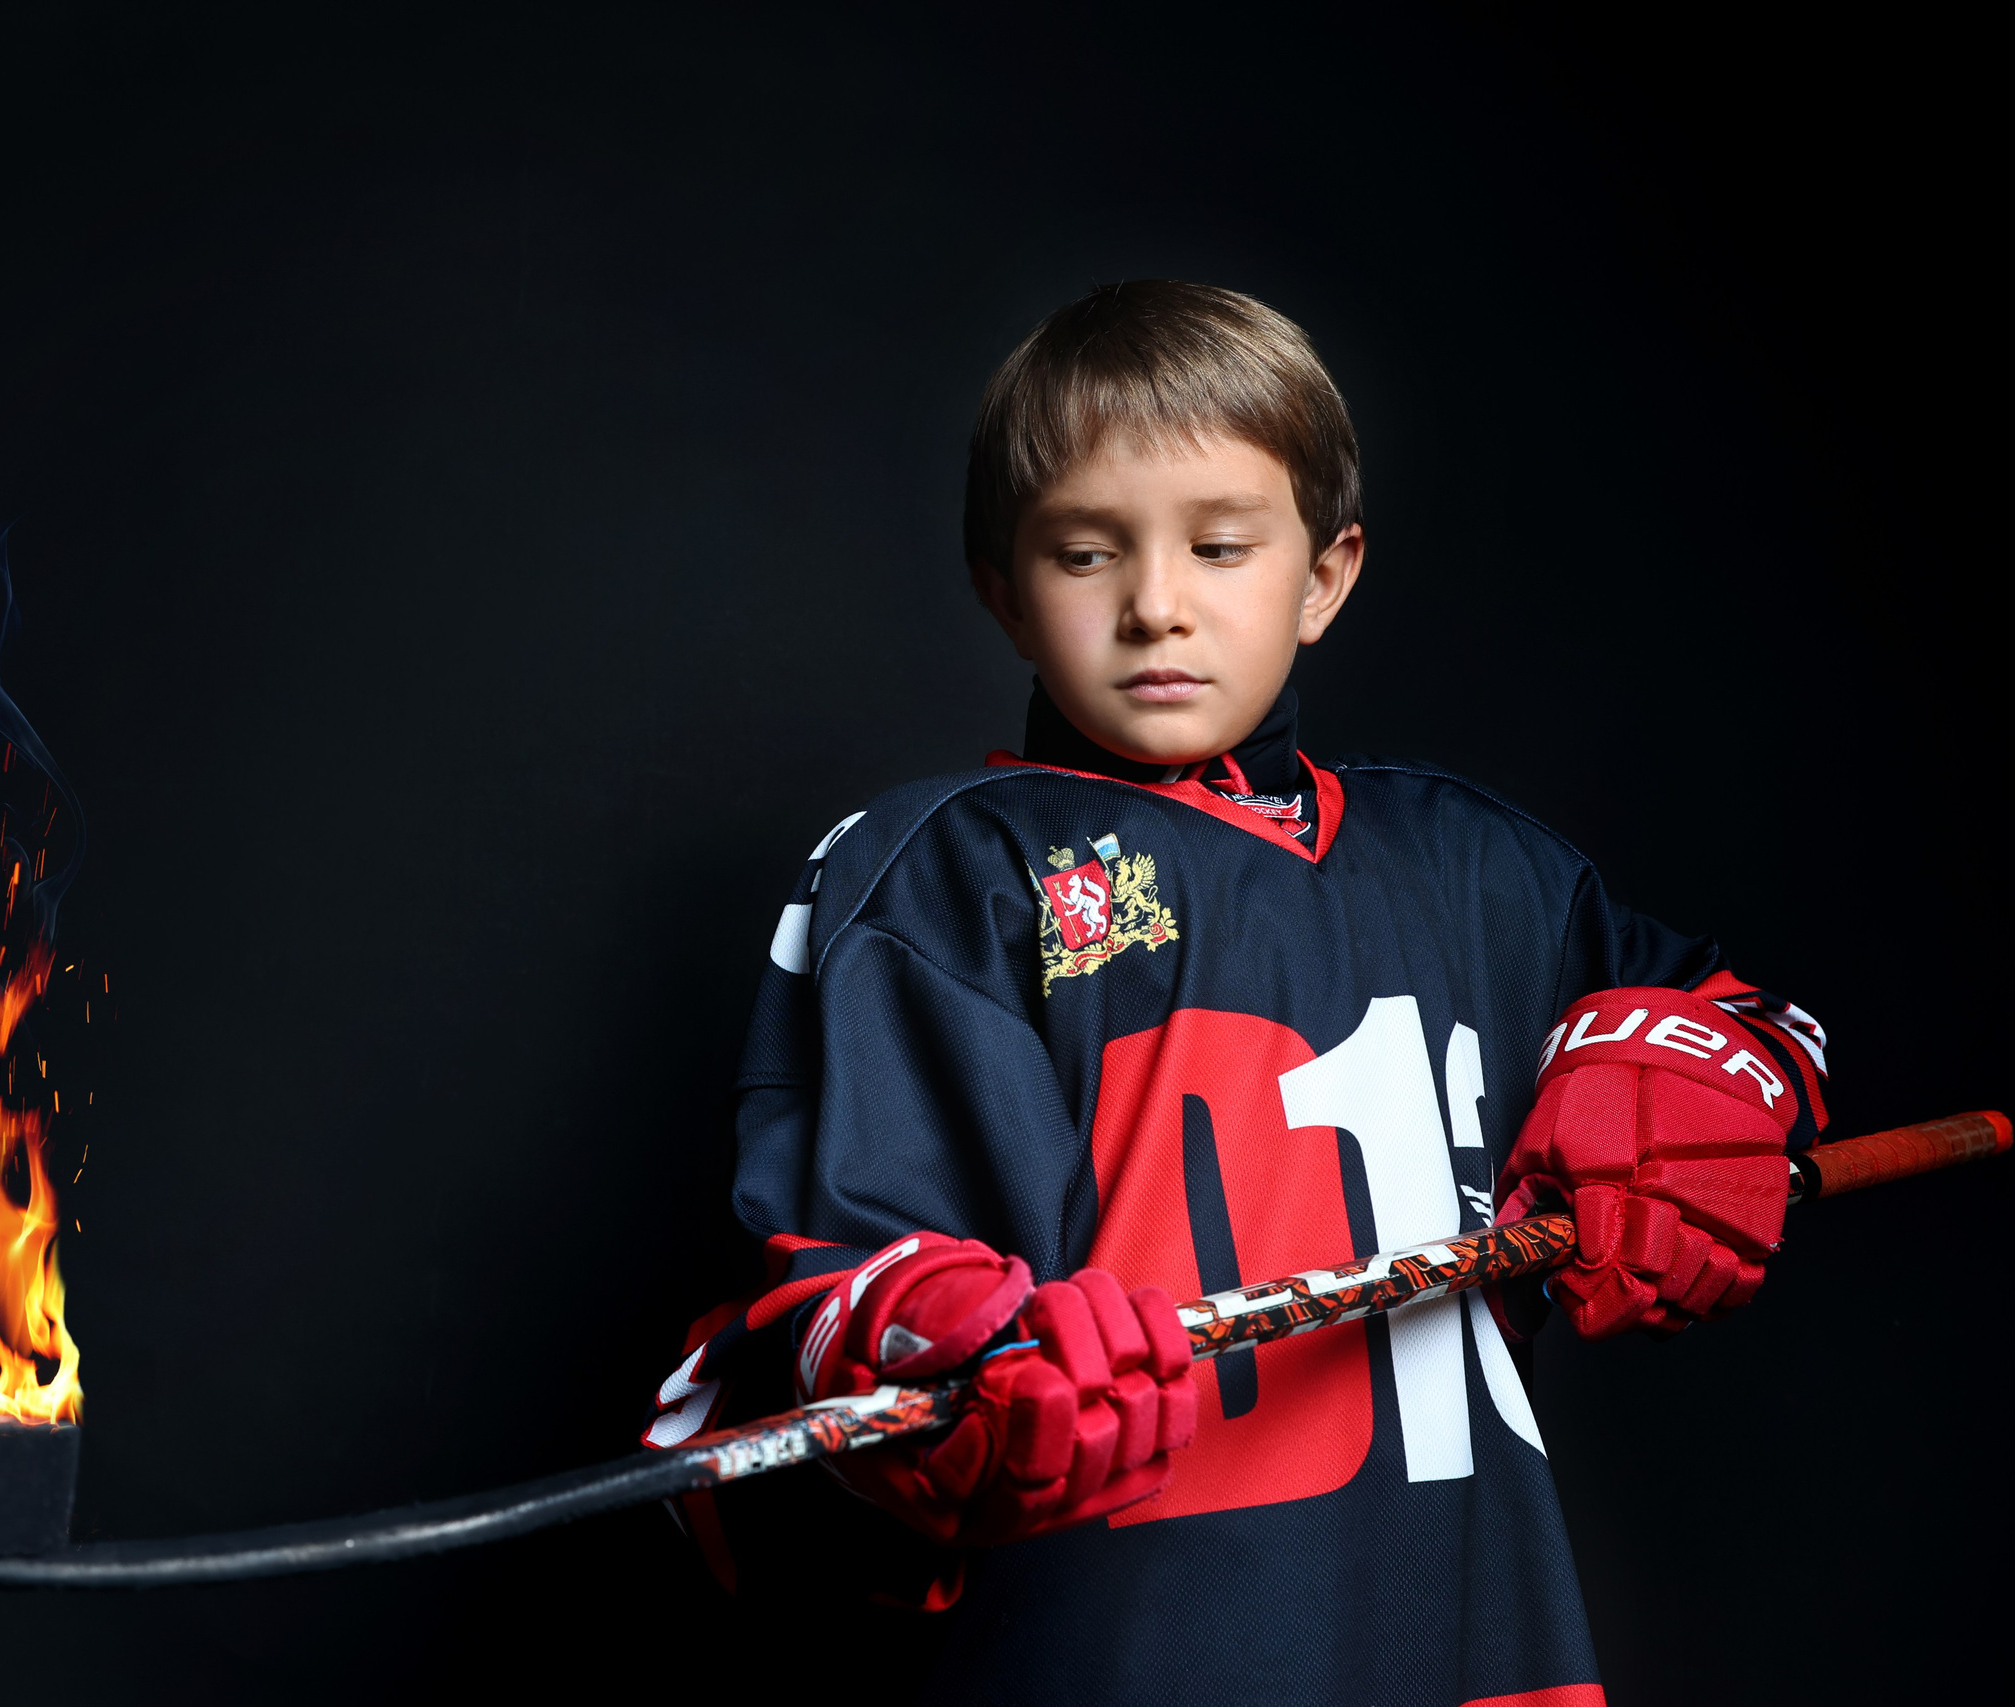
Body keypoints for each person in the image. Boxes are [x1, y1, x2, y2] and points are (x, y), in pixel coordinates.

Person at [641, 280, 1830, 1705]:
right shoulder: (941, 875)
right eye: (1086, 554)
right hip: (1133, 1649)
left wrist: (1690, 1076)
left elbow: (1749, 1026)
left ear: (1323, 576)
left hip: (1477, 1644)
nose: (1156, 605)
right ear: (1001, 588)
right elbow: (840, 1293)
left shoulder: (1481, 865)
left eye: (1219, 546)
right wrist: (959, 1362)